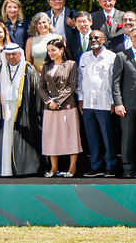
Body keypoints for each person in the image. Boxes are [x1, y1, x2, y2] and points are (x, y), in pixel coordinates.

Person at [0, 43, 40, 177]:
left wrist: (36, 111)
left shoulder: (28, 69)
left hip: (24, 110)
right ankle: (6, 169)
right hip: (5, 108)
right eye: (8, 55)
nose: (11, 57)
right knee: (5, 138)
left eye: (14, 54)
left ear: (20, 54)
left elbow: (36, 92)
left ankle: (25, 168)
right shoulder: (1, 70)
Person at [35, 39, 81, 177]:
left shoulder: (71, 64)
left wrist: (58, 101)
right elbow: (41, 87)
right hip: (50, 107)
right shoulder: (46, 66)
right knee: (51, 136)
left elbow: (71, 86)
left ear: (61, 50)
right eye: (49, 50)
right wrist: (49, 101)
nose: (51, 53)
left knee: (71, 135)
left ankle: (72, 167)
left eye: (53, 50)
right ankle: (53, 167)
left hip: (67, 105)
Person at [76, 28, 119, 177]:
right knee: (92, 137)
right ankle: (95, 166)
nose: (93, 40)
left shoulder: (111, 57)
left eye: (96, 38)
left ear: (103, 40)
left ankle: (111, 165)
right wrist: (80, 98)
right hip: (88, 103)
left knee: (108, 136)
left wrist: (114, 101)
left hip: (105, 103)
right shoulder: (84, 57)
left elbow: (115, 81)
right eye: (91, 38)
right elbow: (80, 79)